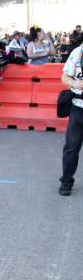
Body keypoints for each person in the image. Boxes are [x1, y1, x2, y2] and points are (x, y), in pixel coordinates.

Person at [59, 41, 83, 196]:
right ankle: (66, 182)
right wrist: (75, 82)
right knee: (72, 148)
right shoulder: (77, 53)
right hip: (78, 107)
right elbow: (64, 77)